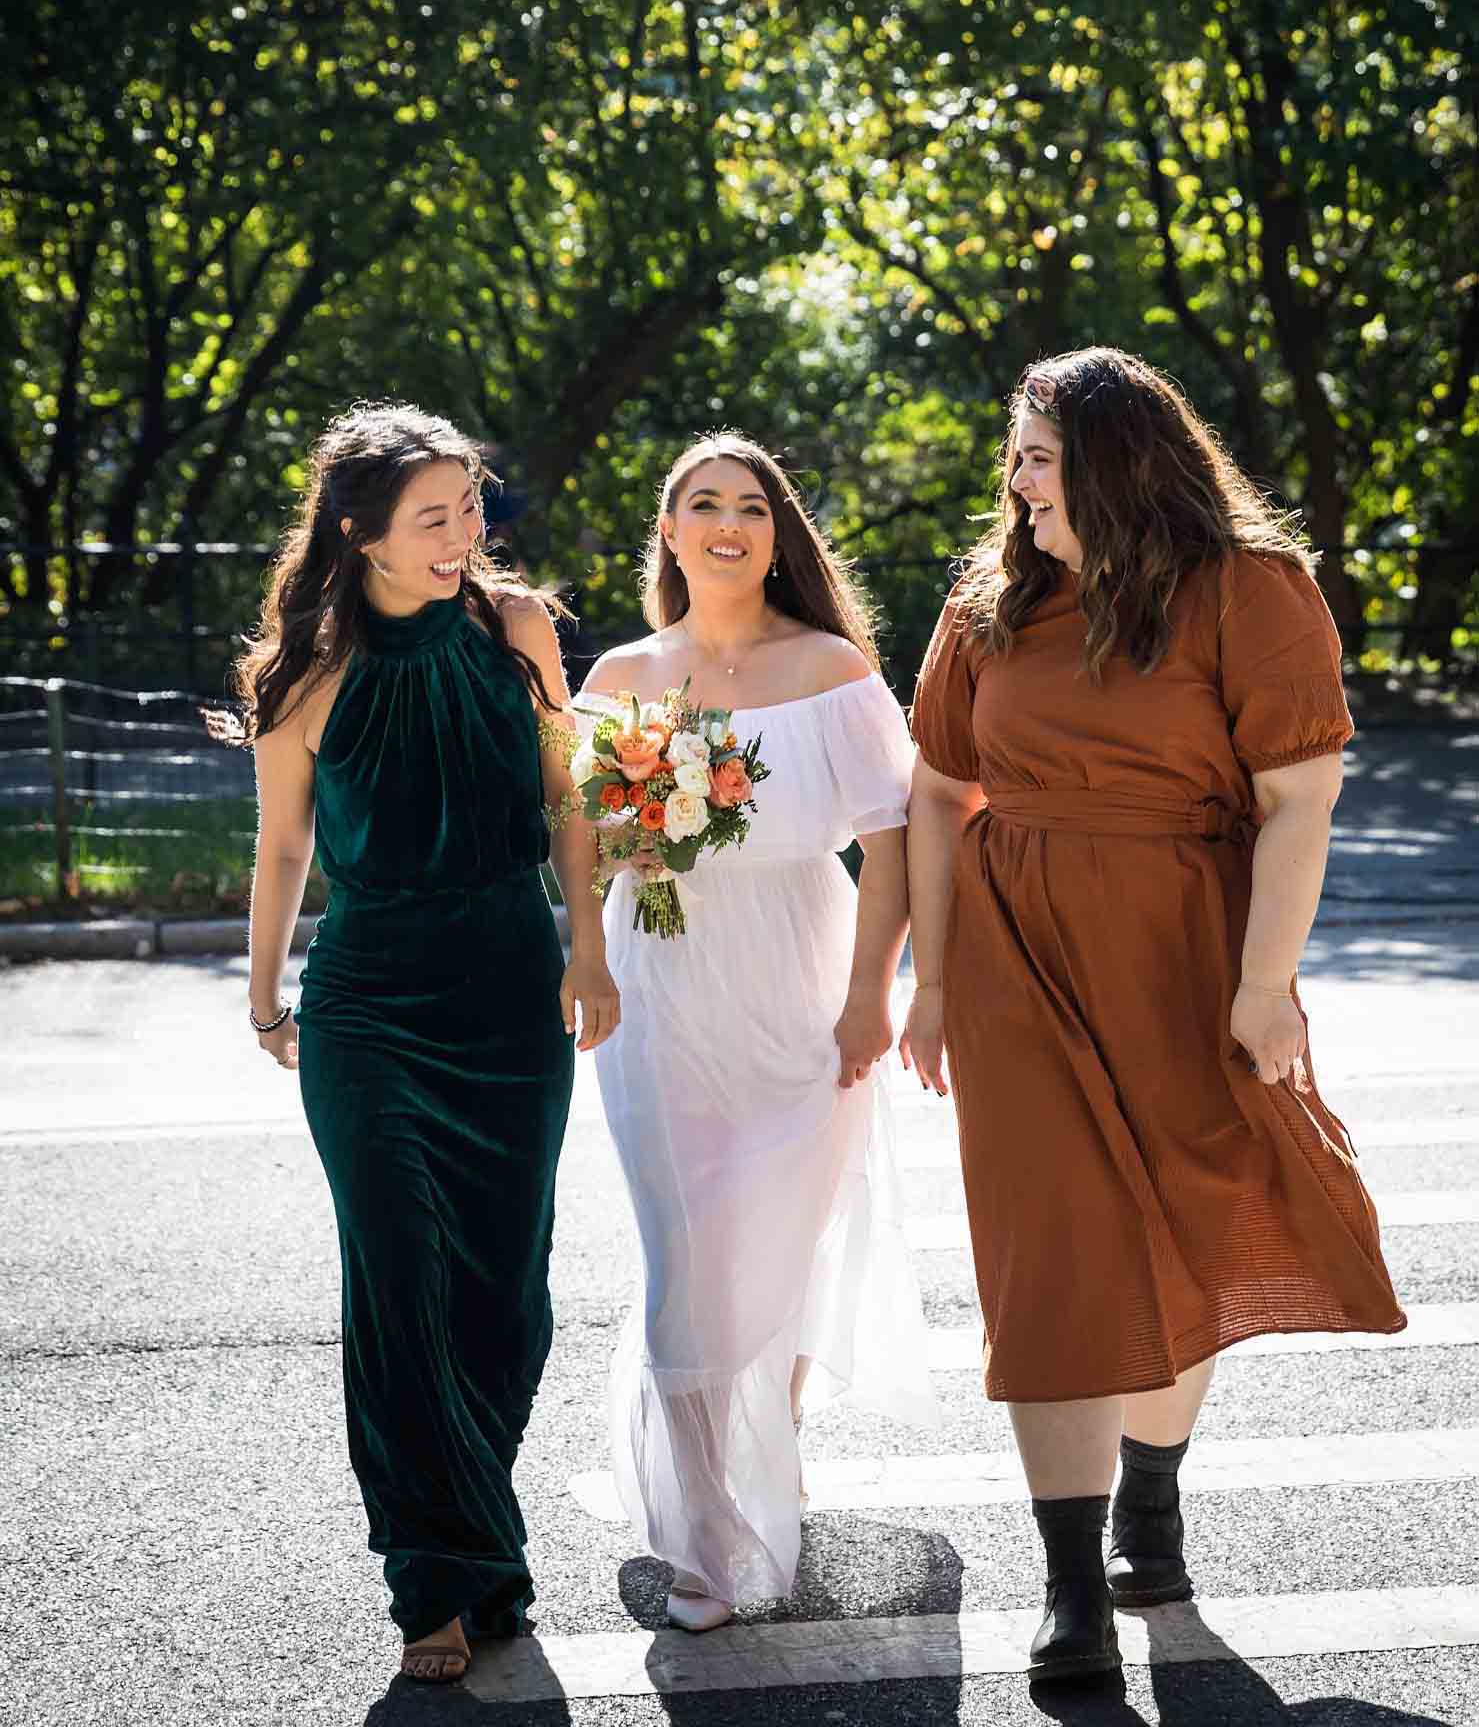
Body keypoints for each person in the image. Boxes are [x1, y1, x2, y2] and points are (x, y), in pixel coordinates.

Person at [902, 348, 1405, 1684]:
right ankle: (1069, 1585)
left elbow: (1299, 798)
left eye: (1034, 457)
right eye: (1012, 457)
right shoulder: (988, 604)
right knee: (1048, 1258)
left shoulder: (1250, 589)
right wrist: (932, 983)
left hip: (1187, 943)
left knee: (1187, 1224)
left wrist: (1258, 985)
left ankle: (1152, 1483)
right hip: (1016, 953)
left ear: (1117, 468)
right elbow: (936, 799)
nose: (1010, 484)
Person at [211, 402, 619, 1684]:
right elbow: (286, 846)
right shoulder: (309, 669)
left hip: (509, 986)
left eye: (471, 510)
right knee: (400, 1281)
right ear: (359, 530)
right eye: (434, 517)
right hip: (371, 1001)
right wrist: (265, 993)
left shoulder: (519, 630)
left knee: (505, 1288)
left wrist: (589, 946)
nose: (465, 536)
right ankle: (431, 1577)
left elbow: (571, 796)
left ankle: (478, 1541)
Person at [580, 433, 940, 1632]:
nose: (728, 523)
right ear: (669, 531)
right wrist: (625, 860)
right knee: (686, 1254)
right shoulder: (623, 672)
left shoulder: (833, 667)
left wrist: (870, 994)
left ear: (776, 535)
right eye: (703, 503)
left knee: (783, 1244)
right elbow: (581, 845)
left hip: (803, 979)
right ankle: (701, 1525)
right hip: (661, 980)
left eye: (751, 505)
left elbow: (893, 845)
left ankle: (762, 1452)